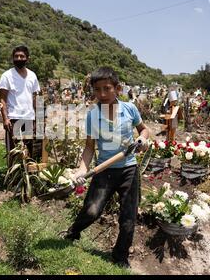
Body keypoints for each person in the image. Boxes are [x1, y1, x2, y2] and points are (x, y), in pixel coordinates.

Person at [63, 67, 150, 268]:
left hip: (129, 169)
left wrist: (142, 139)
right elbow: (88, 148)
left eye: (107, 88)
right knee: (92, 210)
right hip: (104, 170)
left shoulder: (129, 109)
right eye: (97, 89)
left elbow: (144, 130)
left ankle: (120, 257)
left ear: (118, 88)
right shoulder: (93, 115)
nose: (102, 94)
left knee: (128, 218)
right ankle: (73, 232)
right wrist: (81, 170)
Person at [0, 45, 40, 163]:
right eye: (16, 56)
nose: (19, 58)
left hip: (28, 118)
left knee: (28, 151)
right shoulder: (7, 76)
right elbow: (3, 99)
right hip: (13, 118)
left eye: (22, 56)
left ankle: (26, 180)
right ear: (12, 58)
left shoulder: (32, 76)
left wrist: (37, 119)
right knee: (13, 151)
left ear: (27, 58)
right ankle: (12, 180)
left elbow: (35, 98)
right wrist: (5, 119)